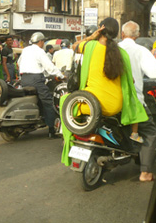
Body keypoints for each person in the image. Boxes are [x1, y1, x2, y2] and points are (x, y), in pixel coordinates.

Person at [62, 18, 148, 167]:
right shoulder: (121, 53)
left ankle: (67, 139)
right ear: (116, 34)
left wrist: (91, 36)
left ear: (101, 29)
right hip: (114, 106)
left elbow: (74, 46)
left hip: (87, 105)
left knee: (65, 100)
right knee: (135, 103)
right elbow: (131, 81)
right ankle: (134, 136)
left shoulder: (89, 46)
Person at [118, 21, 156, 182]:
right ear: (137, 35)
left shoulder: (112, 49)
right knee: (150, 131)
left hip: (109, 100)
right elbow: (155, 73)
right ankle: (146, 172)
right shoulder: (140, 50)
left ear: (122, 34)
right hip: (133, 101)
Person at [18, 32, 64, 139]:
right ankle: (51, 130)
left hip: (24, 79)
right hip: (36, 80)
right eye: (43, 41)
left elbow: (19, 63)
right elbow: (50, 67)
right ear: (40, 41)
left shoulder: (25, 50)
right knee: (48, 102)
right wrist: (61, 75)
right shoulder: (40, 51)